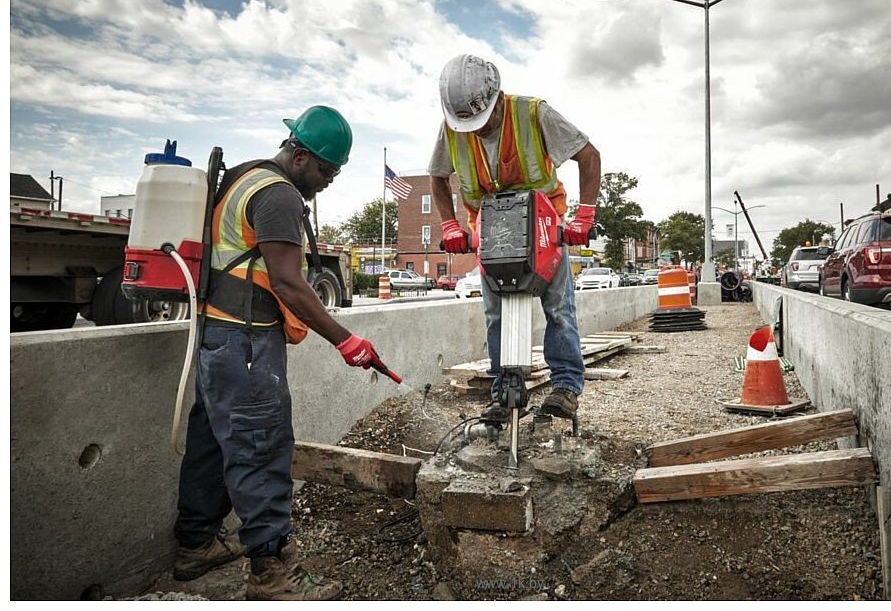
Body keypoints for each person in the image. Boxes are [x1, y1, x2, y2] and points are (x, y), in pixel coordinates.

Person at [173, 105, 392, 601]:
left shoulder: (243, 178)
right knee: (261, 447)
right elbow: (290, 284)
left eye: (335, 172)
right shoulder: (278, 196)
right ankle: (271, 574)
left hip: (218, 337)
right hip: (246, 342)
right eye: (325, 169)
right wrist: (345, 339)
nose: (329, 180)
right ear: (298, 154)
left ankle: (194, 547)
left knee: (211, 441)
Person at [428, 54, 602, 421]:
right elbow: (437, 177)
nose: (473, 129)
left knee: (559, 310)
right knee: (496, 315)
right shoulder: (453, 127)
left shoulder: (532, 113)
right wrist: (450, 226)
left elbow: (589, 156)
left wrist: (584, 216)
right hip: (490, 229)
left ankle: (566, 386)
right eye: (465, 124)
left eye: (481, 120)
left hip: (542, 226)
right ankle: (505, 391)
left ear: (497, 98)